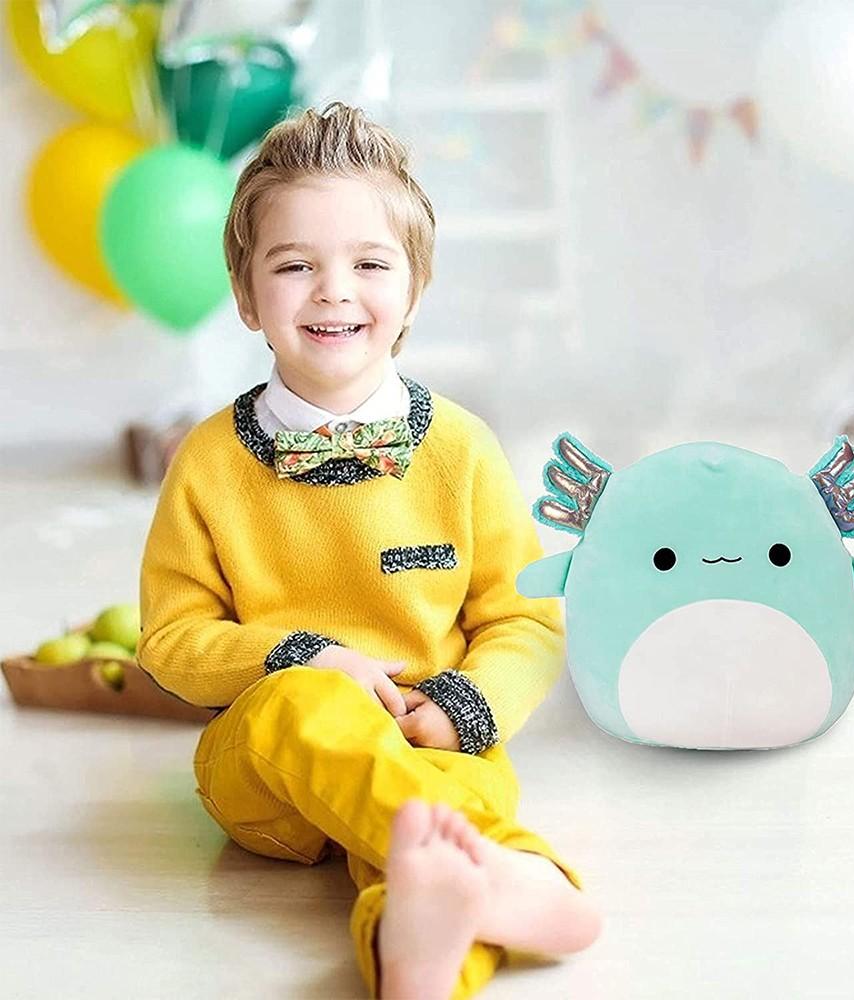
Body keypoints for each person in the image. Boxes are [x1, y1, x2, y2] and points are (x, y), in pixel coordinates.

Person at [136, 101, 601, 999]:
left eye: (370, 264)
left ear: (414, 290)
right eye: (294, 265)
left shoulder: (462, 449)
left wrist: (466, 707)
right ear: (246, 296)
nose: (333, 290)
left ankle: (416, 955)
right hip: (268, 774)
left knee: (437, 843)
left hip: (434, 746)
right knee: (305, 710)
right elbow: (172, 638)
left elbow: (526, 620)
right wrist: (301, 658)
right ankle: (521, 878)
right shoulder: (208, 462)